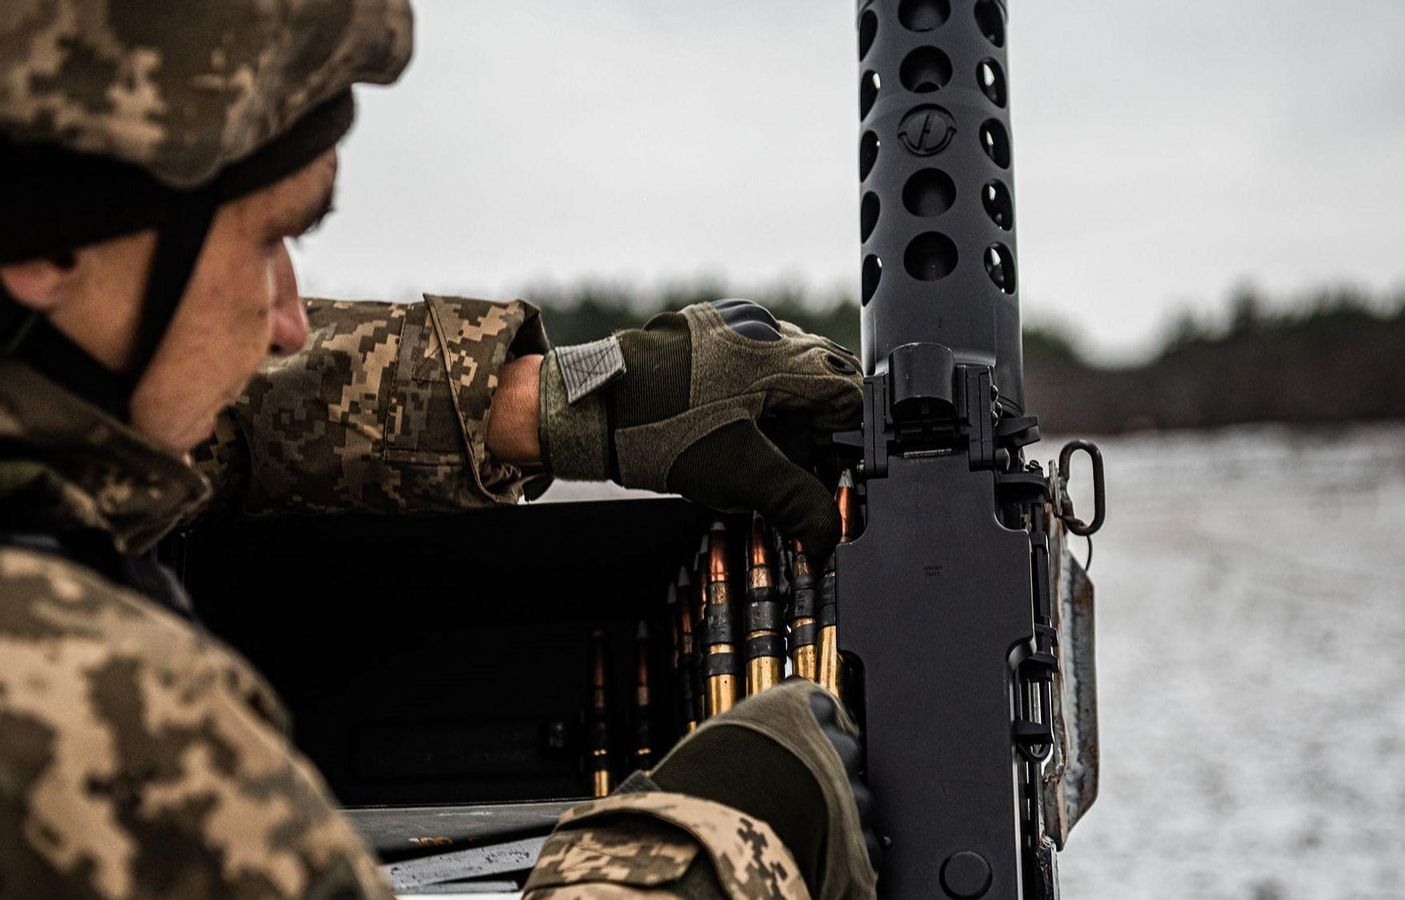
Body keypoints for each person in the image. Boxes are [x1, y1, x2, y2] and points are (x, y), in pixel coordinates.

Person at [0, 2, 878, 897]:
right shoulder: (92, 711)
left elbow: (204, 428)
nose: (289, 322)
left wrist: (562, 403)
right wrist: (719, 845)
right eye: (267, 242)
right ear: (51, 241)